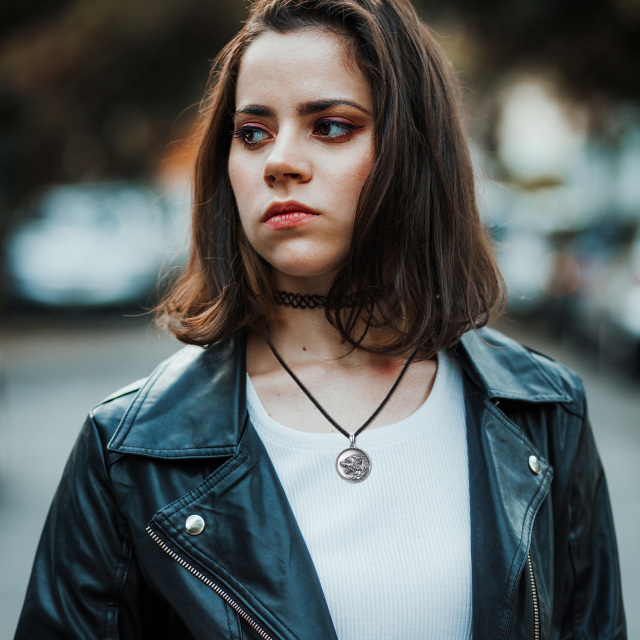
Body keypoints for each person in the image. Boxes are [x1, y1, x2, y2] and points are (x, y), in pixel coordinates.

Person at [15, 0, 626, 638]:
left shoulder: (543, 413)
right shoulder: (131, 452)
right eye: (252, 132)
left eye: (330, 126)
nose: (279, 161)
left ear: (413, 150)